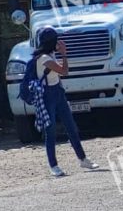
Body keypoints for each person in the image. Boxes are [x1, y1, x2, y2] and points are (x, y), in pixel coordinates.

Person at [30, 28, 100, 177]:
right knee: (51, 131)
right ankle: (53, 165)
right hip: (48, 95)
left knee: (71, 127)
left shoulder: (49, 54)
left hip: (58, 92)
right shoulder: (44, 58)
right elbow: (64, 71)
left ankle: (82, 158)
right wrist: (64, 54)